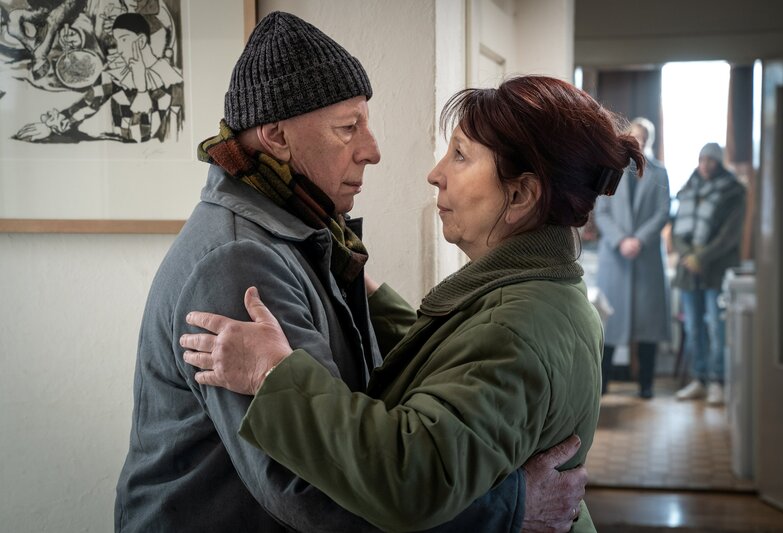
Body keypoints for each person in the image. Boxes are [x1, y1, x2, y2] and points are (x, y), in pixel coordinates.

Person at [114, 12, 589, 533]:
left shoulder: (307, 236)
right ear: (276, 137)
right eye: (348, 128)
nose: (373, 150)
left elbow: (417, 379)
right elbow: (311, 489)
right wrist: (511, 508)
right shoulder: (240, 265)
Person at [179, 74, 646, 532]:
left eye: (460, 155)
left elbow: (410, 476)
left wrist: (271, 374)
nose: (435, 174)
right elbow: (459, 361)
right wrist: (368, 293)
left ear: (521, 195)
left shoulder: (515, 327)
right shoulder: (547, 292)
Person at [15, 12, 182, 143]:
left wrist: (142, 89)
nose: (119, 49)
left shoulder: (168, 79)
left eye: (124, 40)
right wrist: (52, 127)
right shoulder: (118, 72)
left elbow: (139, 136)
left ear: (141, 41)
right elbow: (90, 101)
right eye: (117, 41)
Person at [594, 117, 671, 399]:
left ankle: (646, 384)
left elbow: (663, 212)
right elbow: (601, 213)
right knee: (609, 323)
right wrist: (621, 240)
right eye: (635, 136)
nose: (639, 142)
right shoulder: (612, 168)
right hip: (615, 258)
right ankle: (602, 385)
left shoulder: (659, 172)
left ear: (650, 140)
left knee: (648, 326)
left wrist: (638, 240)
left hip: (646, 257)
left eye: (644, 137)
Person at [672, 142, 746, 405]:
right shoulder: (688, 189)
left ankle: (718, 381)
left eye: (711, 160)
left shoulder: (734, 190)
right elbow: (677, 229)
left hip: (716, 269)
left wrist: (700, 257)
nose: (705, 165)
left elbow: (729, 236)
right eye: (702, 159)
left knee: (717, 327)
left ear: (719, 163)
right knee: (693, 327)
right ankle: (699, 379)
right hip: (689, 271)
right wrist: (687, 255)